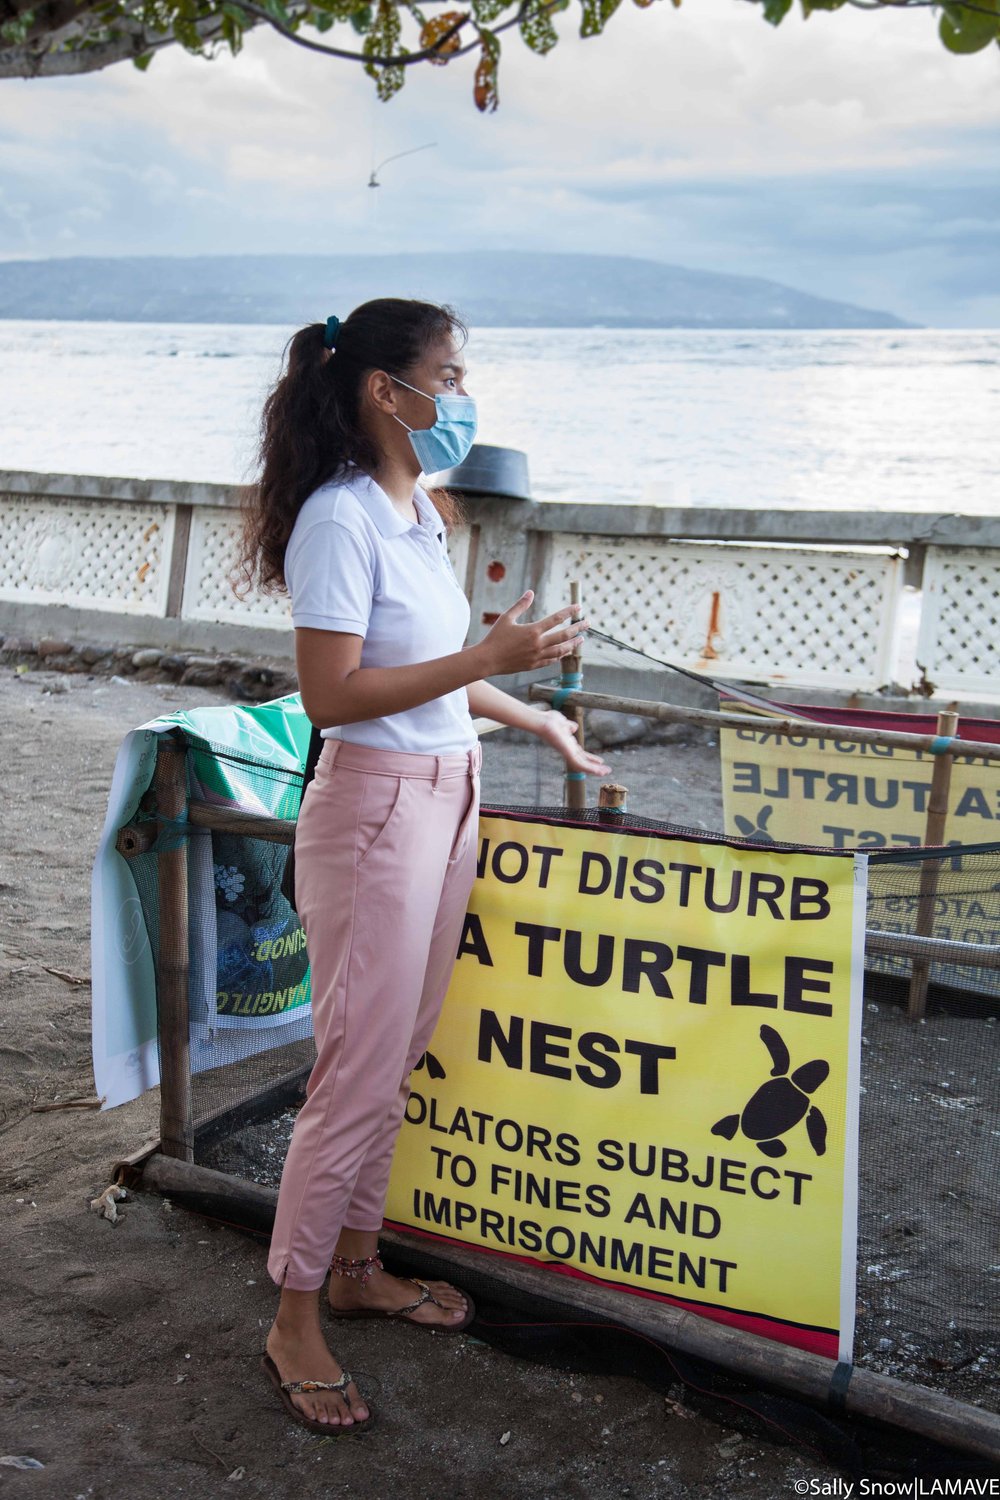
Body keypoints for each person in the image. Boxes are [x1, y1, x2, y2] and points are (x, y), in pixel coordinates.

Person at [236, 296, 610, 1438]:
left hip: (450, 796)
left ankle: (357, 1264)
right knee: (352, 1069)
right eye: (445, 374)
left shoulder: (417, 514)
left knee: (396, 1050)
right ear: (379, 390)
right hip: (375, 809)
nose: (460, 395)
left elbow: (437, 677)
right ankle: (294, 1314)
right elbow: (332, 697)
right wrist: (483, 651)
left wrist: (528, 709)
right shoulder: (340, 520)